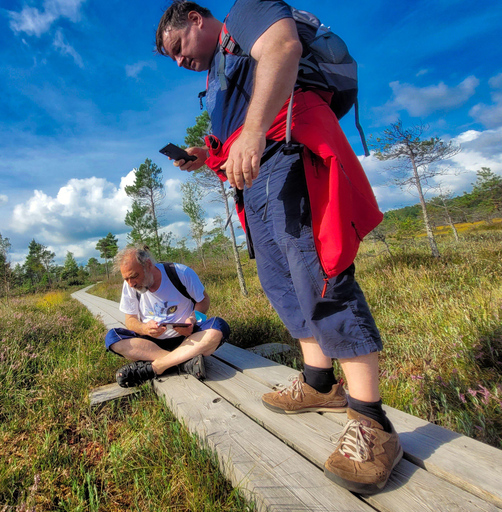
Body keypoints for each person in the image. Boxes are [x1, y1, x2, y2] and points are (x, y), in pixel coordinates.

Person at [155, 0, 402, 495]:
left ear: (197, 20)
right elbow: (236, 130)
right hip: (256, 175)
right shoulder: (219, 74)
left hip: (288, 148)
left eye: (179, 48)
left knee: (318, 271)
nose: (180, 63)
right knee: (280, 280)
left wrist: (249, 134)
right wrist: (209, 153)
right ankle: (317, 382)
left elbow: (284, 47)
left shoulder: (247, 12)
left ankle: (373, 422)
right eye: (173, 59)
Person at [105, 246, 230, 388]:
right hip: (151, 344)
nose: (131, 283)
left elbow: (203, 301)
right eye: (126, 278)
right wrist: (144, 328)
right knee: (112, 338)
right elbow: (130, 320)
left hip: (188, 339)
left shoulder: (180, 273)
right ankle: (183, 362)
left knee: (219, 327)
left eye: (134, 276)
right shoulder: (130, 286)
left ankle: (157, 366)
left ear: (148, 265)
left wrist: (193, 319)